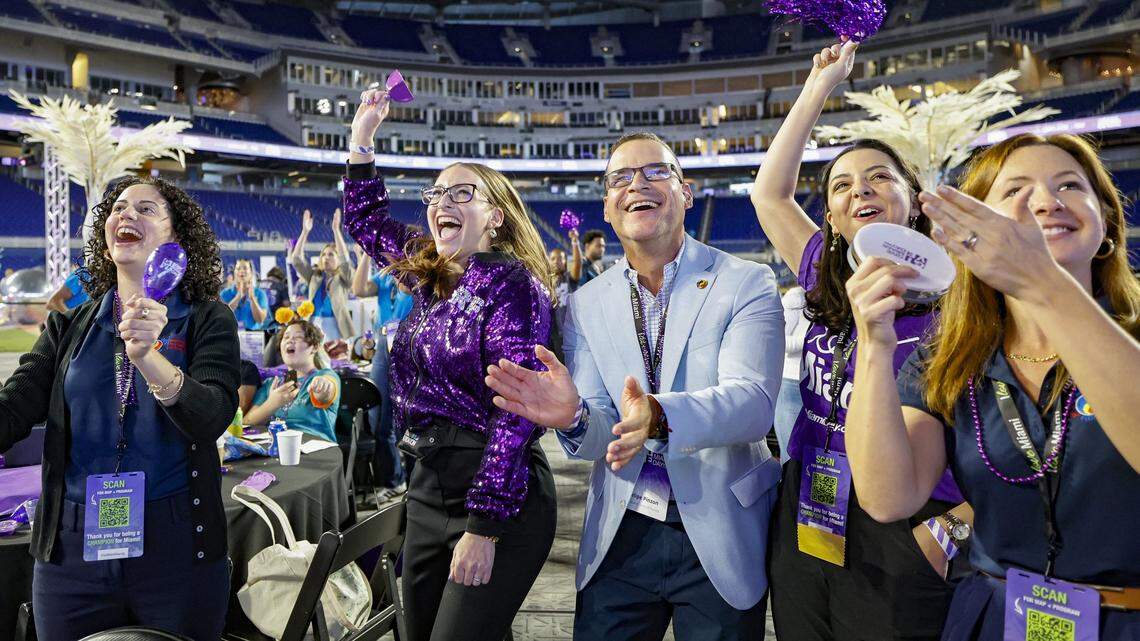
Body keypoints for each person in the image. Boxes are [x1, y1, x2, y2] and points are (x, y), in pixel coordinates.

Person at [486, 131, 784, 641]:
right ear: (607, 206)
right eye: (620, 177)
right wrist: (575, 418)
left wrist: (659, 416)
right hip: (622, 531)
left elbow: (753, 405)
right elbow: (602, 434)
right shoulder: (586, 303)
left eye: (655, 172)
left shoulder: (745, 282)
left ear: (686, 192)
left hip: (719, 528)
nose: (636, 185)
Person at [844, 133, 1140, 640]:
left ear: (1106, 220)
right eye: (1015, 190)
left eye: (1069, 186)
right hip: (994, 616)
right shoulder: (948, 357)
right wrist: (873, 343)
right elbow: (888, 496)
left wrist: (1043, 283)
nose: (1045, 202)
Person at [749, 39, 962, 641]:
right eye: (841, 186)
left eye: (878, 178)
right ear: (834, 219)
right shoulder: (826, 273)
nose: (859, 191)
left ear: (913, 203)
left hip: (908, 518)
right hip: (811, 501)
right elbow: (769, 194)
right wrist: (819, 86)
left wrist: (950, 531)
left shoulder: (962, 304)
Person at [343, 85, 557, 641]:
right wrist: (362, 138)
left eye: (463, 193)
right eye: (437, 193)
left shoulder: (515, 286)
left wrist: (482, 526)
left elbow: (517, 412)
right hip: (425, 485)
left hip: (497, 492)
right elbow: (365, 222)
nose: (442, 202)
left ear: (496, 218)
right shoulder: (428, 274)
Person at [0, 177, 240, 640]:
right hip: (71, 555)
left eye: (146, 209)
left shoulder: (207, 318)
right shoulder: (68, 326)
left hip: (177, 548)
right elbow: (12, 411)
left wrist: (149, 358)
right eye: (118, 208)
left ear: (175, 236)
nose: (126, 214)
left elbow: (211, 417)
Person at [352, 244, 415, 498]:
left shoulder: (416, 275)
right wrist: (366, 255)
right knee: (379, 416)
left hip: (410, 344)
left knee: (407, 421)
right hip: (382, 342)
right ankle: (393, 480)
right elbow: (359, 289)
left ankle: (415, 483)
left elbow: (410, 289)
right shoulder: (383, 276)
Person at [245, 318, 340, 442]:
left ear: (315, 347)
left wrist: (323, 388)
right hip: (275, 447)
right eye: (286, 337)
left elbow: (327, 390)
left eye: (298, 337)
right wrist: (272, 403)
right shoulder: (271, 383)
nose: (290, 340)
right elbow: (247, 422)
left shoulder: (324, 375)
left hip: (314, 449)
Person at [291, 208, 354, 340]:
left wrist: (336, 231)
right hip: (313, 323)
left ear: (337, 259)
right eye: (324, 254)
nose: (326, 257)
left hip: (337, 326)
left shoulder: (344, 278)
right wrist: (304, 232)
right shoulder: (314, 275)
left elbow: (345, 260)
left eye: (331, 254)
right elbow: (296, 260)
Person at [774, 285, 809, 459]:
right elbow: (778, 340)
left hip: (820, 387)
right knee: (790, 456)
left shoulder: (841, 302)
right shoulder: (797, 297)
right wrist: (812, 340)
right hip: (792, 385)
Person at [220, 258, 269, 329]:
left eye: (245, 268)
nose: (241, 271)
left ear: (251, 273)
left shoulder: (260, 293)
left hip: (252, 334)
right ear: (234, 272)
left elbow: (260, 320)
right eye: (238, 268)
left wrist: (252, 299)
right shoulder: (225, 293)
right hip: (231, 333)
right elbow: (222, 317)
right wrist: (237, 298)